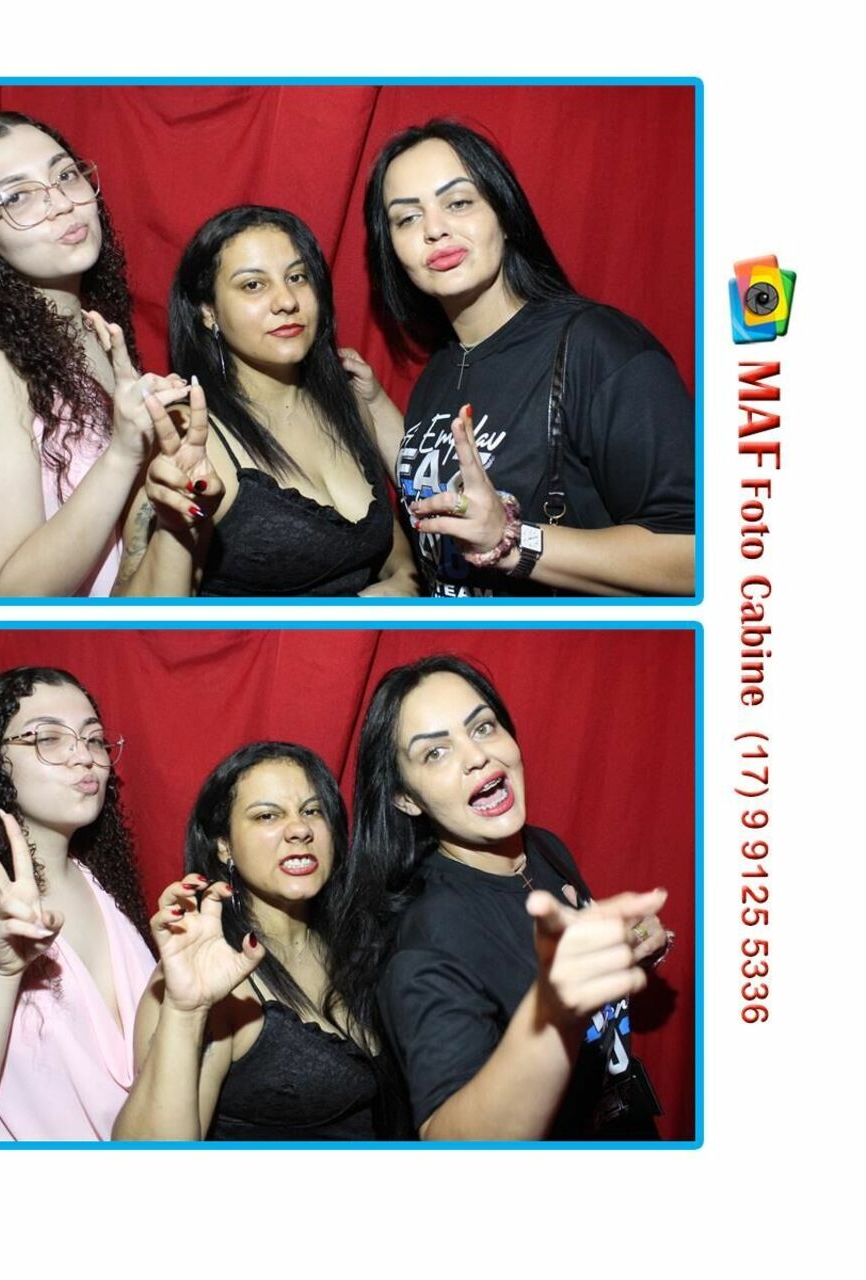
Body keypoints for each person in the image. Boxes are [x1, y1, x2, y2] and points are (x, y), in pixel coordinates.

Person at [339, 655, 675, 1139]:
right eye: (435, 753)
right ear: (405, 798)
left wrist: (624, 946)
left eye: (483, 727)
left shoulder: (540, 848)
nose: (477, 756)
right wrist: (551, 1010)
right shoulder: (427, 942)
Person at [354, 120, 694, 597]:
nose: (434, 229)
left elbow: (696, 556)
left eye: (459, 202)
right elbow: (436, 492)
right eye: (407, 218)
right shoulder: (441, 371)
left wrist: (511, 541)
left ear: (505, 214)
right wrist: (372, 403)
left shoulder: (598, 347)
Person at [0, 112, 204, 598]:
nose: (60, 203)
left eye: (65, 174)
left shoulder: (95, 332)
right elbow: (0, 597)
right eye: (17, 197)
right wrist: (124, 453)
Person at [114, 743, 389, 1141]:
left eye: (312, 810)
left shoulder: (359, 944)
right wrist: (185, 1010)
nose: (299, 829)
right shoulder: (205, 973)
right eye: (267, 815)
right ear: (223, 844)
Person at [0, 667, 156, 1141]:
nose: (84, 756)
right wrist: (0, 972)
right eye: (49, 738)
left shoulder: (106, 887)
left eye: (94, 740)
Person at [148, 206, 418, 596]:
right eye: (253, 285)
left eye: (296, 277)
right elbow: (136, 613)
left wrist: (404, 582)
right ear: (208, 312)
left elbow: (392, 546)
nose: (286, 301)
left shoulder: (347, 402)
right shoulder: (187, 434)